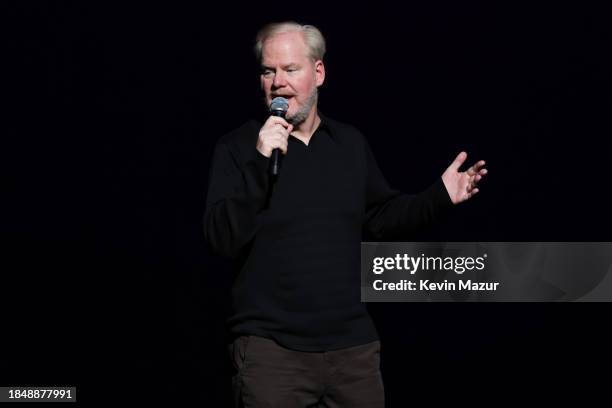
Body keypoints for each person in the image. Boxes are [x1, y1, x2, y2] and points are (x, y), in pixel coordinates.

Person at [204, 21, 487, 408]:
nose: (278, 83)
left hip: (352, 353)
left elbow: (382, 218)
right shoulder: (239, 147)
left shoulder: (349, 144)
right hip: (272, 355)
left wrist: (439, 196)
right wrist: (259, 161)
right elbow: (221, 239)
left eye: (291, 69)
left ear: (318, 72)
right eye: (269, 71)